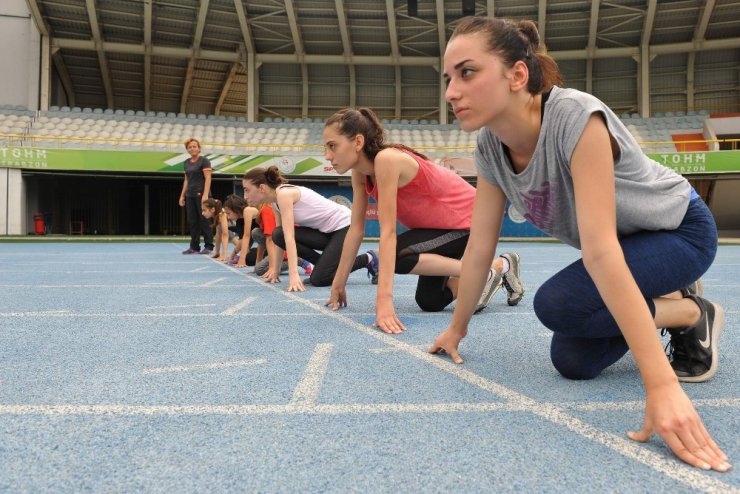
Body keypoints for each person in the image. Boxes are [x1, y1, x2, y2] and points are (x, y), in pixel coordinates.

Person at [430, 16, 730, 472]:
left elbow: (600, 251)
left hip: (678, 231)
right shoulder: (490, 148)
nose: (451, 91)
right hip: (629, 247)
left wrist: (662, 385)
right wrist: (458, 328)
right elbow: (478, 250)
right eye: (449, 77)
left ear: (517, 75)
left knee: (560, 305)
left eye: (467, 72)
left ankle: (692, 313)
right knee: (572, 360)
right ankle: (675, 306)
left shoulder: (575, 116)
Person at [322, 107, 524, 334]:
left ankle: (482, 274)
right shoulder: (360, 173)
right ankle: (501, 266)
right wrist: (338, 283)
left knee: (398, 255)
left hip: (470, 222)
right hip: (438, 230)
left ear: (357, 142)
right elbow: (356, 229)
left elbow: (387, 233)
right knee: (430, 301)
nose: (327, 155)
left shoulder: (388, 159)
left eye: (332, 146)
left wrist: (384, 302)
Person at [242, 166, 377, 291]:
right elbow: (280, 238)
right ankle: (325, 268)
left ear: (261, 188)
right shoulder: (275, 203)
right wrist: (275, 270)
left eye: (247, 190)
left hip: (345, 227)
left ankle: (369, 258)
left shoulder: (284, 194)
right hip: (325, 234)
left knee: (320, 279)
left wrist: (294, 275)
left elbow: (289, 237)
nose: (245, 196)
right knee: (278, 234)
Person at [178, 137, 214, 255]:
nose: (192, 148)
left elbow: (208, 178)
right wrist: (182, 196)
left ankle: (208, 246)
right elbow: (186, 180)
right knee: (192, 221)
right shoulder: (186, 163)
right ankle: (194, 247)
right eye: (190, 147)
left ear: (199, 148)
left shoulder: (204, 161)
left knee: (204, 220)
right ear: (187, 149)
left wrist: (205, 195)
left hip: (202, 195)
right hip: (190, 195)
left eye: (194, 146)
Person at [222, 194, 259, 268]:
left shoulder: (248, 210)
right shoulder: (239, 220)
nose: (228, 217)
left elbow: (247, 235)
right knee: (249, 258)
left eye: (229, 213)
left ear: (236, 209)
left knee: (247, 259)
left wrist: (242, 260)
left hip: (271, 239)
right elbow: (242, 241)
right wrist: (232, 255)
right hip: (263, 242)